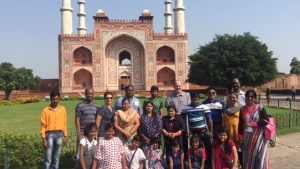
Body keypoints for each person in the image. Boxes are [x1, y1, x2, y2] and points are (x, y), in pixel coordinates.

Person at [238, 89, 269, 169]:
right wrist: (240, 136)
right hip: (247, 138)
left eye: (252, 96)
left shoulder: (260, 108)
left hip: (259, 137)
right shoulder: (242, 109)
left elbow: (266, 121)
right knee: (248, 156)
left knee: (259, 156)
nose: (250, 98)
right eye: (248, 96)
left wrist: (253, 124)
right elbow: (240, 124)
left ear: (255, 98)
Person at [182, 92, 213, 169]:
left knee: (208, 146)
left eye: (196, 100)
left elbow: (209, 120)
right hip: (192, 131)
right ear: (191, 99)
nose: (195, 101)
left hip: (202, 130)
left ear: (199, 99)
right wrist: (186, 132)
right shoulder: (186, 108)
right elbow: (183, 121)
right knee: (189, 146)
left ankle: (207, 163)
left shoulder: (204, 107)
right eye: (193, 100)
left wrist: (211, 131)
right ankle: (190, 163)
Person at [40, 91, 67, 169]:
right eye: (53, 99)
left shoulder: (62, 109)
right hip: (49, 134)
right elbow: (43, 125)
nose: (55, 101)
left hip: (59, 134)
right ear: (50, 99)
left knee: (56, 158)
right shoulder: (45, 110)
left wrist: (65, 136)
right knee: (48, 158)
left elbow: (64, 123)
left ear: (59, 99)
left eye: (57, 99)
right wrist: (43, 139)